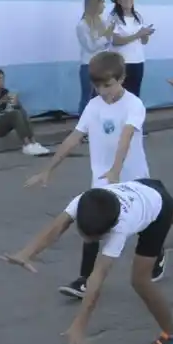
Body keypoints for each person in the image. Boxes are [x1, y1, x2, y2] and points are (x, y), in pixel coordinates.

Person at [0, 180, 173, 344]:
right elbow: (56, 227)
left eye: (89, 237)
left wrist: (80, 323)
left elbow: (98, 278)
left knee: (141, 280)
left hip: (152, 209)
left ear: (108, 232)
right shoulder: (84, 201)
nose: (83, 237)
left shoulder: (120, 228)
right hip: (144, 188)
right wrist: (26, 253)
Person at [28, 52, 155, 298]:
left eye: (108, 85)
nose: (103, 91)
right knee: (92, 221)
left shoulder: (134, 105)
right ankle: (84, 280)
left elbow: (126, 137)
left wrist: (117, 168)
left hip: (134, 178)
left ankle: (157, 254)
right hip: (102, 180)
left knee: (143, 226)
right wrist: (48, 169)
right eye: (97, 86)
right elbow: (74, 138)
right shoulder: (93, 106)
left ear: (122, 79)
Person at [0, 68, 50, 157]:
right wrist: (0, 101)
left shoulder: (5, 92)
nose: (2, 81)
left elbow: (14, 108)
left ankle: (34, 143)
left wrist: (16, 103)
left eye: (3, 78)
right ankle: (27, 145)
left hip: (2, 123)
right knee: (14, 114)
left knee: (20, 111)